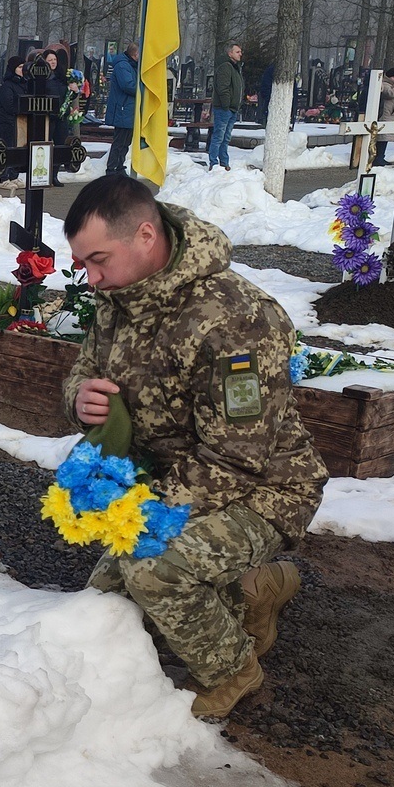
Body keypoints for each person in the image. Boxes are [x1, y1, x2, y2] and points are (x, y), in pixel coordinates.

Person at [63, 174, 327, 719]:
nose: (91, 279)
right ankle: (252, 595)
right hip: (181, 478)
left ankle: (235, 669)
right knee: (105, 599)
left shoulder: (235, 319)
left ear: (143, 235)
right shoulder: (122, 295)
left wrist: (138, 507)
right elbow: (85, 369)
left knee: (154, 571)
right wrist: (79, 398)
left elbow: (238, 456)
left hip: (264, 490)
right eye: (82, 264)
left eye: (98, 259)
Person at [208, 42, 244, 171]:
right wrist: (226, 105)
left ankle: (224, 162)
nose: (240, 54)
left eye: (240, 52)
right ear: (230, 53)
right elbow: (223, 88)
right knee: (219, 136)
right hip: (225, 109)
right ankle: (213, 162)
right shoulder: (226, 67)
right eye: (237, 52)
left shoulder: (235, 68)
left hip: (232, 109)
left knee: (226, 137)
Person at [104, 43, 138, 174]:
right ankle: (111, 168)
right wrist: (143, 90)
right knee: (119, 141)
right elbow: (128, 85)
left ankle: (119, 165)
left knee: (126, 142)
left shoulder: (129, 65)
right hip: (123, 108)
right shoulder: (123, 66)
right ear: (134, 54)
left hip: (128, 109)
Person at [0, 55, 25, 187]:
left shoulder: (24, 84)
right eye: (19, 67)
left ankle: (14, 175)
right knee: (6, 150)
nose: (22, 70)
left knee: (16, 150)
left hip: (20, 123)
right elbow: (9, 105)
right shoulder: (7, 85)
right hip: (7, 122)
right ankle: (3, 177)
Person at [42, 47, 69, 186]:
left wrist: (74, 91)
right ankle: (43, 174)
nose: (53, 62)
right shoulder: (43, 77)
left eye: (54, 60)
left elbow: (67, 96)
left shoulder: (61, 76)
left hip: (61, 116)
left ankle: (54, 174)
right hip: (48, 116)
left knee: (59, 145)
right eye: (50, 60)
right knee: (45, 145)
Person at [375, 67, 394, 167]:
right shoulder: (384, 84)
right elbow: (391, 94)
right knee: (382, 137)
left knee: (386, 137)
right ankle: (378, 157)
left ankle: (381, 156)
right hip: (387, 114)